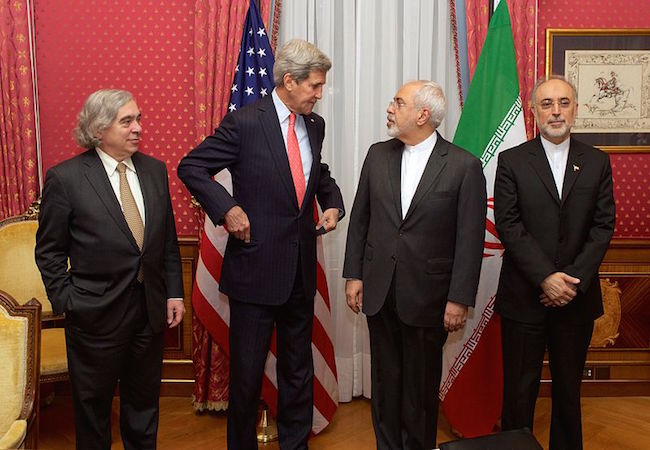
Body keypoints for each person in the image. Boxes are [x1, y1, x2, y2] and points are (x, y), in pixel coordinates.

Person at [177, 39, 344, 449]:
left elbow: (316, 173)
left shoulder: (315, 125)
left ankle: (295, 444)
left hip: (300, 271)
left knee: (297, 371)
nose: (320, 95)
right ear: (289, 80)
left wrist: (334, 204)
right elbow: (191, 166)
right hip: (254, 272)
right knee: (247, 376)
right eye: (315, 86)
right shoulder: (245, 122)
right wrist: (227, 208)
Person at [35, 89, 185, 450]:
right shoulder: (66, 179)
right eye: (127, 121)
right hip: (93, 315)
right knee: (93, 411)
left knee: (144, 406)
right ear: (99, 129)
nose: (138, 128)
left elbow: (166, 240)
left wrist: (175, 291)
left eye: (139, 119)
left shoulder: (154, 170)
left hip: (148, 312)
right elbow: (49, 251)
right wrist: (68, 301)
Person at [343, 80, 487, 450]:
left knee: (419, 390)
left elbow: (470, 240)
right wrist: (354, 274)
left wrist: (459, 299)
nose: (390, 108)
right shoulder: (377, 155)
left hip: (431, 298)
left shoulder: (463, 166)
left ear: (423, 114)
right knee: (385, 385)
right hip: (379, 291)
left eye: (399, 102)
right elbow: (361, 218)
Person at [494, 75, 616, 450]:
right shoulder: (511, 161)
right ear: (533, 111)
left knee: (567, 391)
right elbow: (509, 225)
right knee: (518, 392)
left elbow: (602, 225)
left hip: (575, 299)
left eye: (564, 102)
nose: (556, 111)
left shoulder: (596, 161)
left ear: (575, 109)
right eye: (547, 103)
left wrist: (570, 281)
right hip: (523, 296)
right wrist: (546, 278)